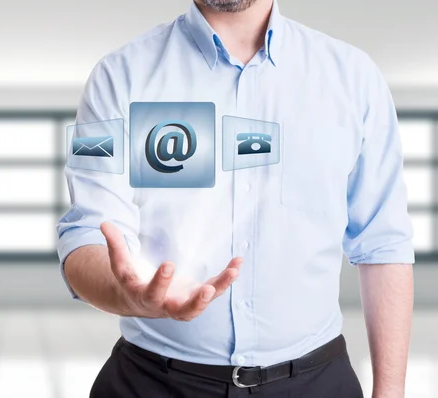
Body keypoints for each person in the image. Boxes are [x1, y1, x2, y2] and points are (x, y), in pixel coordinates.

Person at [57, 0, 415, 396]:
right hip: (151, 383)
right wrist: (129, 295)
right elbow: (86, 230)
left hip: (317, 383)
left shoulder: (354, 77)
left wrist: (391, 390)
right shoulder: (116, 77)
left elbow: (384, 243)